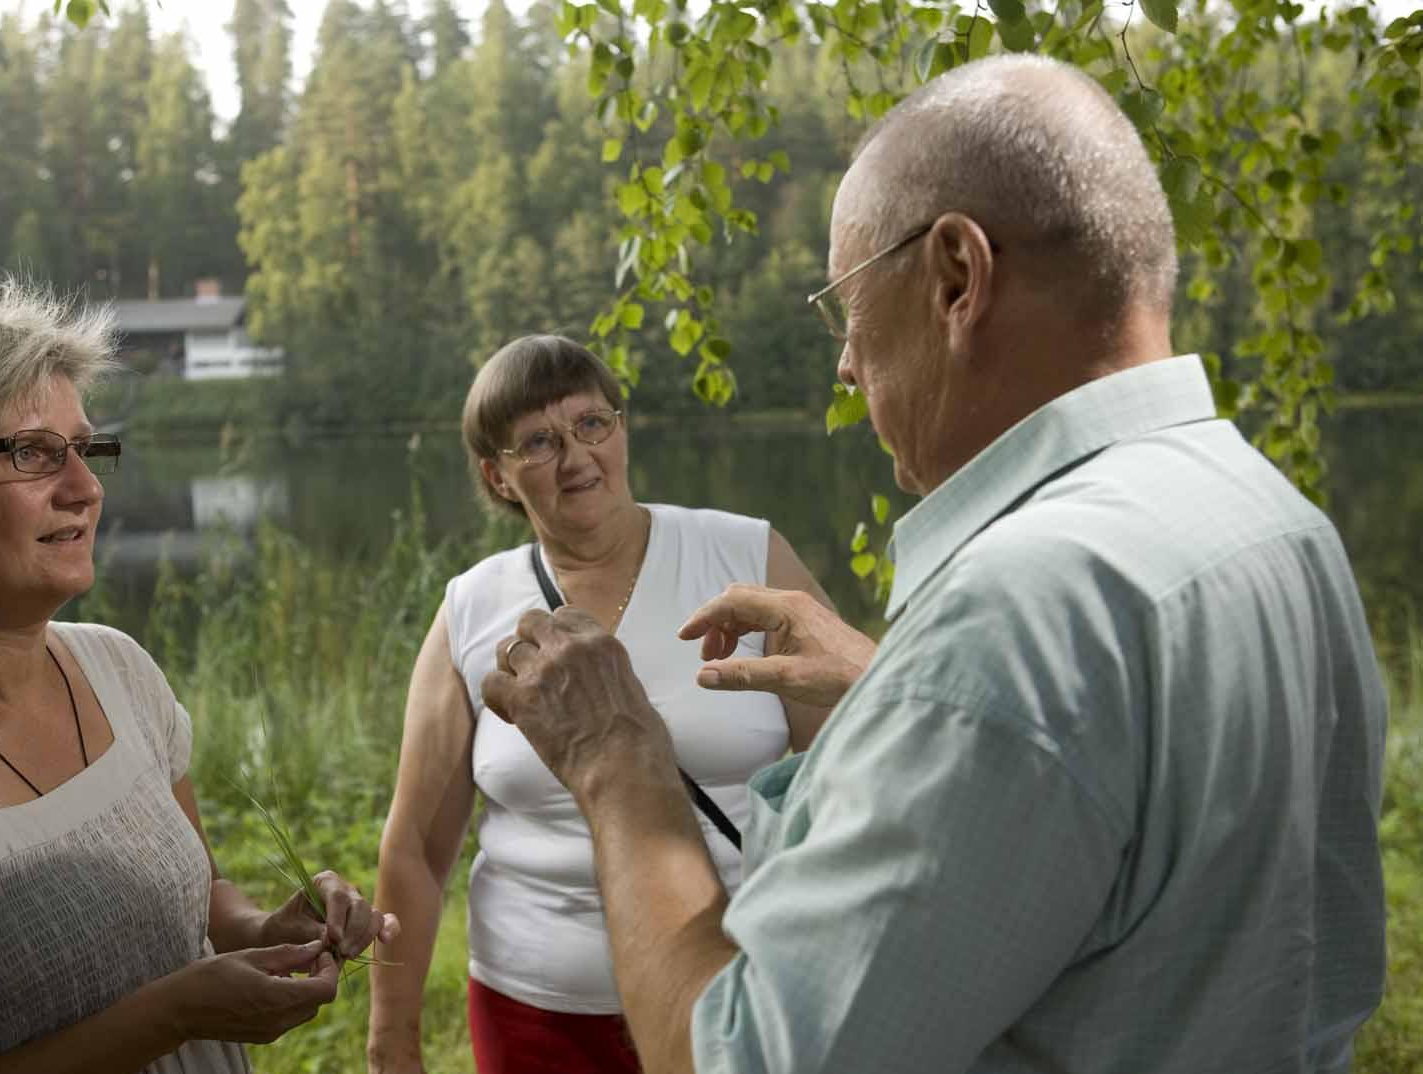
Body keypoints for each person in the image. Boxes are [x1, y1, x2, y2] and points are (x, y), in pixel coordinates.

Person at [481, 56, 1388, 1074]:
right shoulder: (1270, 516)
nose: (844, 362)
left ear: (955, 275)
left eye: (844, 307)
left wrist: (614, 756)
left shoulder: (1020, 612)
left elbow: (740, 1060)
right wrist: (896, 702)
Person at [0, 283, 398, 1074]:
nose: (85, 489)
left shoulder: (118, 668)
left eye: (84, 448)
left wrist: (264, 930)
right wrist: (172, 1014)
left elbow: (199, 901)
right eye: (31, 454)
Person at [366, 334, 837, 1074]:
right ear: (497, 476)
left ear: (621, 427)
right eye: (539, 442)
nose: (578, 456)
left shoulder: (744, 556)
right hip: (533, 1014)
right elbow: (417, 851)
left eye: (592, 423)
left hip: (735, 991)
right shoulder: (471, 606)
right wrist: (390, 1043)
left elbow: (843, 772)